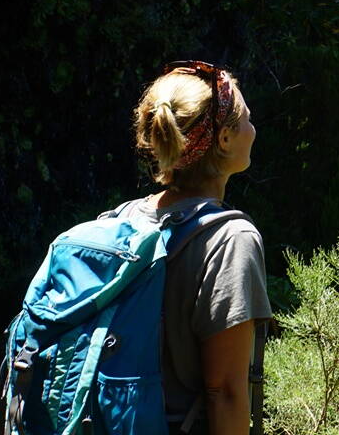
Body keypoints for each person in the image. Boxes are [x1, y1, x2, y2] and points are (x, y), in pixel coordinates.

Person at [119, 61, 272, 435]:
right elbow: (226, 392)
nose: (253, 130)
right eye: (247, 119)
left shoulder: (120, 220)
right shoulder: (231, 239)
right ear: (223, 139)